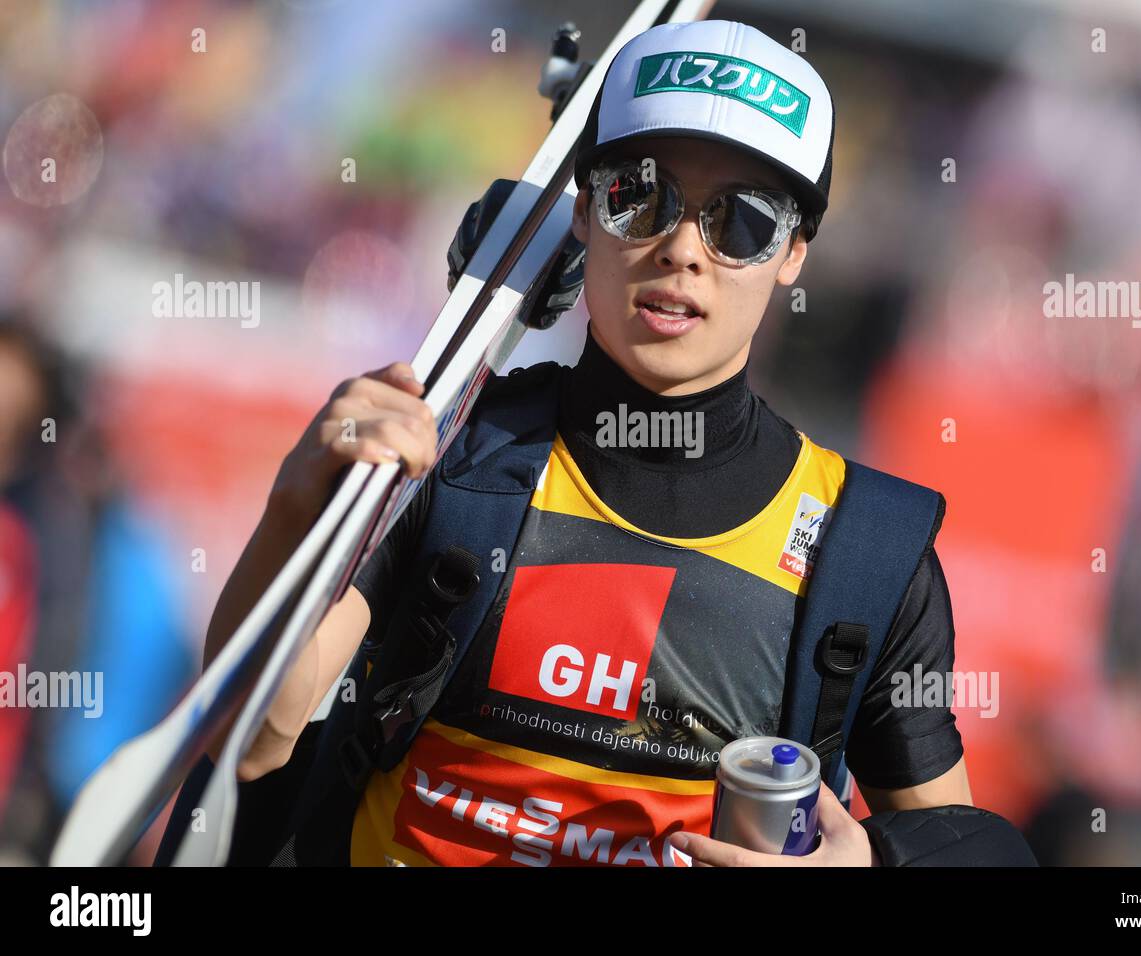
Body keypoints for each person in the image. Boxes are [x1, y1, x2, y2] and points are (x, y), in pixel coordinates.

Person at [193, 20, 1030, 868]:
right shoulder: (446, 451)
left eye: (740, 222)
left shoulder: (866, 552)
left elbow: (961, 848)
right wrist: (299, 507)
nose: (680, 250)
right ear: (584, 213)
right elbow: (250, 741)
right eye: (640, 193)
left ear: (794, 254)